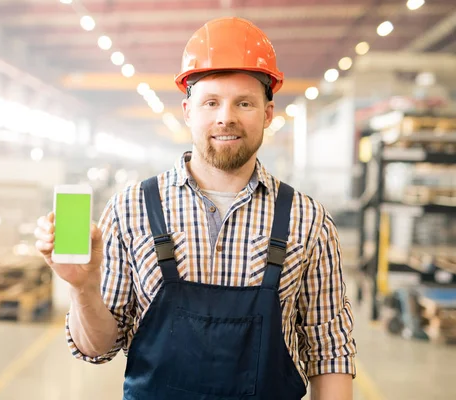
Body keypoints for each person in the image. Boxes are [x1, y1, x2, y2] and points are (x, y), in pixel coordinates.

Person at [35, 17, 357, 400]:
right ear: (188, 111)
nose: (226, 117)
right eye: (211, 102)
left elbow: (330, 353)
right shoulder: (131, 208)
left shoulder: (309, 221)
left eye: (244, 103)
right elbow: (97, 348)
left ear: (268, 114)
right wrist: (83, 287)